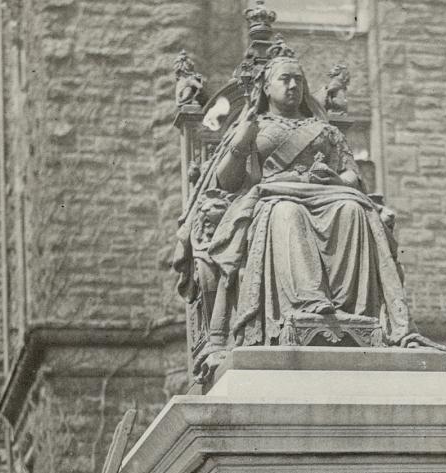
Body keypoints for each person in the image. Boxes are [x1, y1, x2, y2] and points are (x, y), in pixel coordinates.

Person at [173, 43, 410, 371]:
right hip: (273, 196)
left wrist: (334, 178)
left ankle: (352, 312)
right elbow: (227, 182)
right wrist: (242, 142)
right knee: (287, 213)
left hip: (327, 193)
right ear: (266, 87)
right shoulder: (254, 126)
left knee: (353, 211)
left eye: (298, 80)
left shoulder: (325, 131)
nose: (293, 85)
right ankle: (308, 305)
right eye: (285, 79)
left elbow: (352, 176)